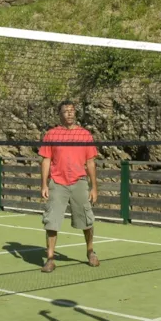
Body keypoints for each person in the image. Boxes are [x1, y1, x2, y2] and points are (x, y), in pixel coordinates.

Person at [39, 101, 99, 273]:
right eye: (66, 111)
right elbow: (46, 160)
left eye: (72, 111)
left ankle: (90, 252)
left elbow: (90, 162)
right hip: (57, 183)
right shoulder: (51, 134)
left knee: (87, 220)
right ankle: (50, 259)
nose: (69, 114)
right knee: (51, 221)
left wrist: (94, 187)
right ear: (60, 115)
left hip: (79, 181)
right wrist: (44, 184)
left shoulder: (84, 135)